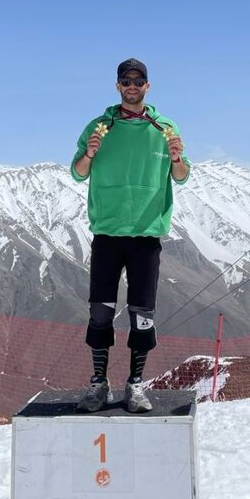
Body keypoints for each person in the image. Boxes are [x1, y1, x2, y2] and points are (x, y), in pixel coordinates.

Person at [71, 58, 190, 413]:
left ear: (148, 86)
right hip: (107, 232)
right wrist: (89, 153)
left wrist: (177, 159)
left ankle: (135, 384)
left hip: (146, 234)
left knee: (143, 314)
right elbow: (78, 173)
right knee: (100, 312)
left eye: (139, 80)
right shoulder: (99, 126)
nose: (133, 86)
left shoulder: (164, 127)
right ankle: (98, 383)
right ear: (118, 85)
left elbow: (182, 176)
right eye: (126, 80)